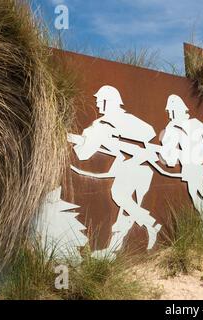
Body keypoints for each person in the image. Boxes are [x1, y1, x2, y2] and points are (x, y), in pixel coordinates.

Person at [69, 85, 161, 258]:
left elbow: (150, 146)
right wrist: (79, 140)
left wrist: (132, 155)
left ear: (108, 101)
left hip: (138, 168)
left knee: (119, 197)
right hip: (135, 169)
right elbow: (84, 152)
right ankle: (119, 246)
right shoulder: (100, 125)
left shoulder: (107, 124)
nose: (97, 105)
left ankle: (151, 224)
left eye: (99, 101)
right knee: (124, 210)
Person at [160, 95, 203, 219]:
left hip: (197, 164)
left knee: (197, 195)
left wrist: (201, 148)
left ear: (177, 110)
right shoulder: (179, 125)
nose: (170, 115)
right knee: (198, 196)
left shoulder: (191, 123)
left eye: (171, 111)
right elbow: (167, 150)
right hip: (195, 163)